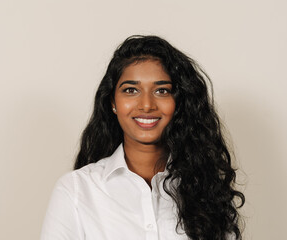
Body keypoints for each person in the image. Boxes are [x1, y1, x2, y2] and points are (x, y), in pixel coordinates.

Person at [40, 35, 245, 240]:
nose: (146, 105)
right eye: (131, 90)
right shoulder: (77, 191)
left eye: (161, 91)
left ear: (179, 102)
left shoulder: (207, 191)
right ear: (113, 102)